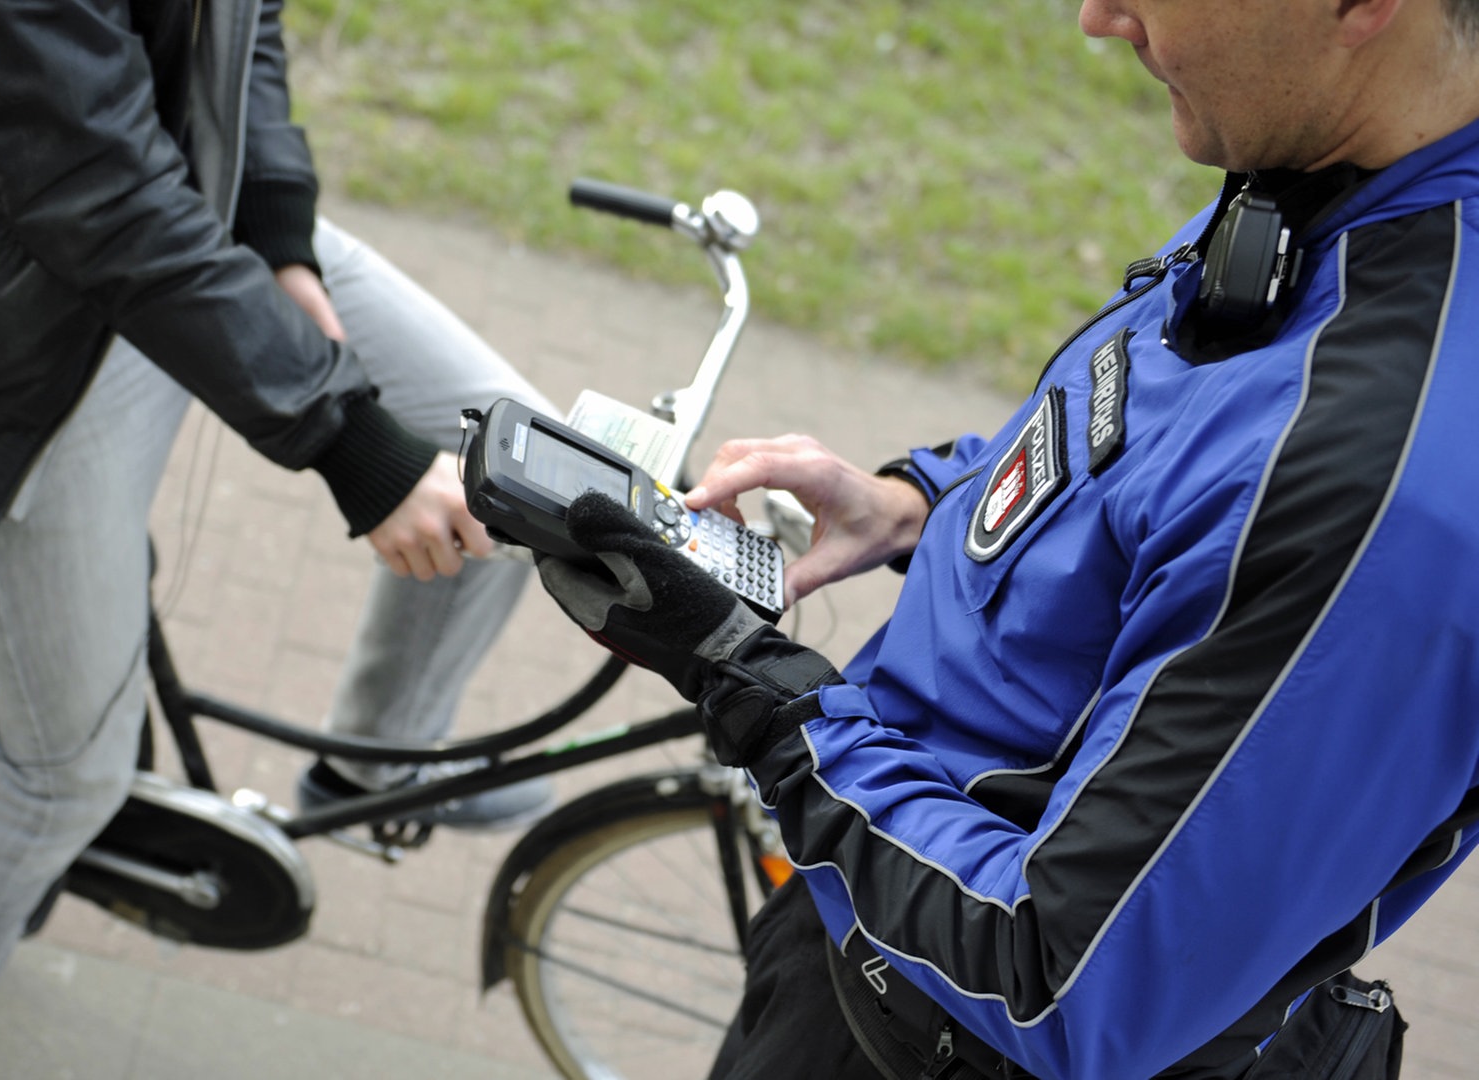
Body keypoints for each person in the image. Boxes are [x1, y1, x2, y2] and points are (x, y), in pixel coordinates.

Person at [536, 0, 1479, 1076]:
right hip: (875, 897)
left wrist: (753, 685)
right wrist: (923, 501)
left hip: (938, 1028)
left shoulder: (1390, 491)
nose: (1098, 18)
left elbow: (1063, 982)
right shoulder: (1332, 179)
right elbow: (1170, 456)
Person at [0, 1, 553, 1077]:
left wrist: (281, 238)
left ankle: (373, 760)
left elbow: (245, 20)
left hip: (180, 214)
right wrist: (347, 443)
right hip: (10, 320)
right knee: (60, 774)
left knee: (518, 460)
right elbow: (86, 179)